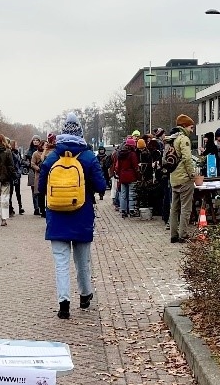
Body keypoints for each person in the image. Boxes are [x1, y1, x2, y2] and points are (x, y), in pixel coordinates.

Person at [39, 113, 107, 319]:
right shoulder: (88, 157)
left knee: (61, 262)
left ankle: (64, 304)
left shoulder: (51, 158)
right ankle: (85, 295)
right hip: (82, 215)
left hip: (57, 217)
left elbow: (41, 188)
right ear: (80, 134)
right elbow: (101, 185)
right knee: (82, 260)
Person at [167, 114, 199, 244]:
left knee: (174, 208)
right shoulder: (184, 139)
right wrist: (192, 174)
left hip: (174, 178)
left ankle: (173, 235)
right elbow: (187, 158)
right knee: (186, 208)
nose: (192, 130)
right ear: (185, 126)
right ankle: (183, 235)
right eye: (191, 127)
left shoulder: (171, 139)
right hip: (184, 178)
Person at [113, 137, 140, 217]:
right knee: (131, 194)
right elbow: (135, 166)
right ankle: (132, 210)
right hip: (131, 176)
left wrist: (118, 174)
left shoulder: (120, 154)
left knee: (123, 194)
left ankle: (123, 210)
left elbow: (118, 166)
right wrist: (138, 175)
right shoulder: (132, 154)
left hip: (122, 176)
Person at [27, 148, 44, 216]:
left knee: (40, 192)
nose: (35, 141)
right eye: (34, 140)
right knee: (35, 192)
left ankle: (40, 208)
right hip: (33, 172)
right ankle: (36, 208)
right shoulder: (30, 152)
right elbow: (29, 162)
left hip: (39, 173)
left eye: (37, 140)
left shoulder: (47, 152)